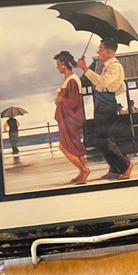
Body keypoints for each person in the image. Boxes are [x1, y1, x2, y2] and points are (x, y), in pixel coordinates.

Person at [76, 38, 133, 181]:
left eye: (101, 49)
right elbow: (99, 83)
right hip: (100, 101)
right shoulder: (104, 66)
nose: (98, 51)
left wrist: (85, 69)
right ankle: (114, 168)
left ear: (110, 52)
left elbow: (102, 83)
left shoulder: (115, 67)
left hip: (107, 102)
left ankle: (126, 165)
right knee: (101, 138)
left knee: (103, 138)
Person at [54, 50, 89, 185]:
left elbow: (73, 102)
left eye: (58, 64)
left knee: (64, 146)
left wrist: (60, 99)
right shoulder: (71, 79)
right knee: (76, 146)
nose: (57, 67)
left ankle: (84, 170)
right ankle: (82, 173)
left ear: (63, 64)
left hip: (69, 119)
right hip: (70, 118)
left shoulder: (72, 80)